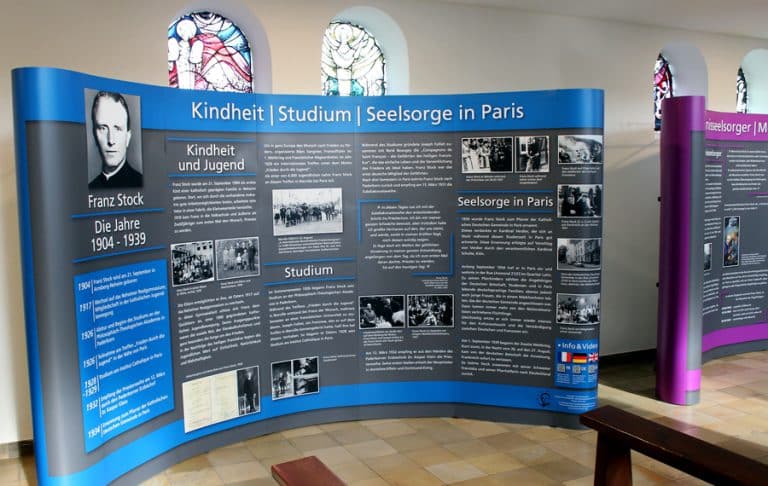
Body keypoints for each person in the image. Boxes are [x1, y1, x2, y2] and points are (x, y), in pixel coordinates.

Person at [88, 91, 142, 189]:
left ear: (128, 137)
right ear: (94, 135)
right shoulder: (91, 187)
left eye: (117, 128)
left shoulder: (139, 183)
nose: (111, 140)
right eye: (103, 128)